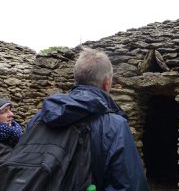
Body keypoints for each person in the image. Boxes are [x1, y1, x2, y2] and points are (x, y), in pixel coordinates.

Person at [27, 48, 150, 191]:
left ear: (76, 79)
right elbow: (129, 186)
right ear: (107, 83)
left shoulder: (38, 119)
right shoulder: (115, 126)